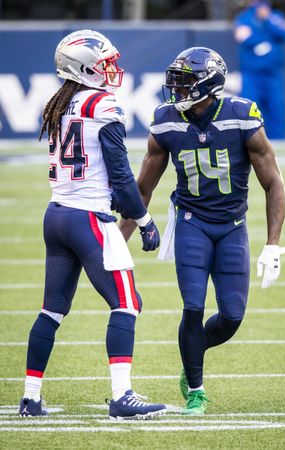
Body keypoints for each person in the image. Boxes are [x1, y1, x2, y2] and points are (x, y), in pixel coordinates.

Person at [118, 46, 285, 415]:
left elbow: (273, 183)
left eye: (184, 85)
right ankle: (196, 389)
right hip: (191, 222)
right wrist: (119, 240)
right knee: (192, 306)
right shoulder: (166, 120)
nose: (176, 92)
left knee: (231, 317)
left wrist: (273, 244)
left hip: (232, 227)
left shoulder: (241, 116)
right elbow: (143, 189)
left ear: (208, 84)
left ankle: (192, 355)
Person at [18, 29, 166, 420]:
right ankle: (122, 396)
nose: (111, 69)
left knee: (52, 310)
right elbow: (120, 175)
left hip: (57, 216)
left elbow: (95, 172)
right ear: (84, 67)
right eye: (104, 63)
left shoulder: (59, 104)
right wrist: (146, 220)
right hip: (88, 220)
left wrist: (116, 198)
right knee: (127, 303)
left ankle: (30, 398)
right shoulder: (103, 105)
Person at [234, 0, 285, 139]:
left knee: (276, 109)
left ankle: (278, 142)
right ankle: (248, 140)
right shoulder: (245, 17)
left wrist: (267, 21)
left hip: (272, 74)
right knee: (249, 110)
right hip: (252, 74)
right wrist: (266, 40)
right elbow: (242, 37)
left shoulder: (276, 16)